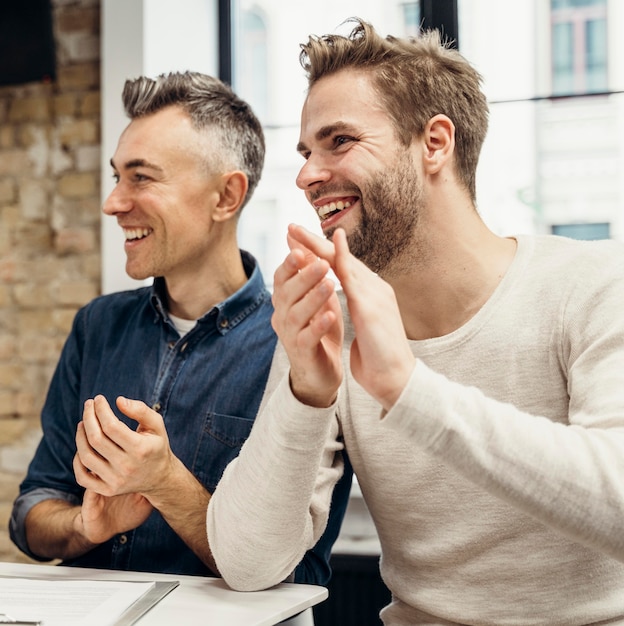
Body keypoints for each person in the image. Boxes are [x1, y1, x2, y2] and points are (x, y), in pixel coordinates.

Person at [205, 18, 624, 624]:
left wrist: (409, 389)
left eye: (339, 141)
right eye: (305, 152)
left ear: (434, 143)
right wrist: (305, 392)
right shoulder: (331, 322)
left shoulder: (589, 285)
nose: (305, 175)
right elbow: (248, 563)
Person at [9, 71, 350, 583]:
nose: (113, 203)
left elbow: (294, 576)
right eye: (116, 176)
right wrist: (86, 525)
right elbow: (32, 510)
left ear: (226, 197)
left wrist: (167, 483)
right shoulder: (97, 326)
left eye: (141, 177)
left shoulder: (302, 347)